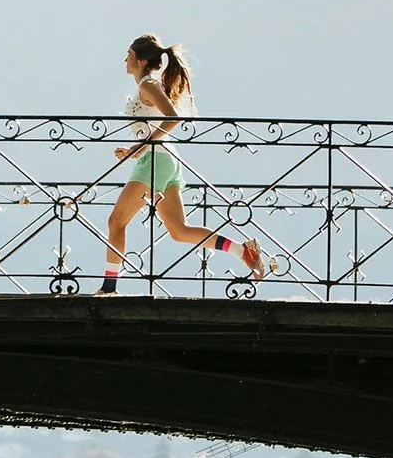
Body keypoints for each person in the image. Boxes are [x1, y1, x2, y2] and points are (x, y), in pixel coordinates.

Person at [100, 34, 268, 294]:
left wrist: (142, 147)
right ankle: (241, 249)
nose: (125, 59)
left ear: (141, 60)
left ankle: (109, 288)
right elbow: (155, 124)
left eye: (129, 55)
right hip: (162, 159)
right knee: (179, 230)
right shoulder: (147, 85)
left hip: (156, 159)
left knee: (116, 222)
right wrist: (136, 148)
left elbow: (172, 118)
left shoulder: (147, 84)